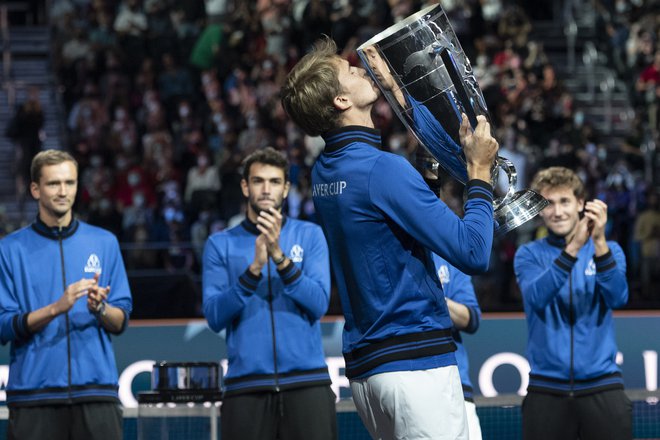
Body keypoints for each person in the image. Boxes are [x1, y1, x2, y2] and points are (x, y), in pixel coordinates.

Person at [281, 36, 498, 439]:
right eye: (350, 71)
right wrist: (480, 172)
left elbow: (386, 230)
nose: (361, 68)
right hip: (415, 364)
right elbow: (473, 252)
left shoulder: (324, 171)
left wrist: (425, 183)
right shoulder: (382, 170)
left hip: (370, 371)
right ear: (341, 102)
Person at [202, 147, 337, 440]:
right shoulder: (219, 244)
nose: (266, 189)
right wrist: (254, 270)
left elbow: (318, 304)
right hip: (245, 387)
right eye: (258, 181)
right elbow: (214, 316)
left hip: (307, 383)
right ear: (245, 186)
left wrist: (280, 258)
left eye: (275, 181)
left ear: (286, 188)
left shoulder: (309, 235)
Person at [0, 149, 132, 440]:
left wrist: (100, 309)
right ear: (35, 189)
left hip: (97, 395)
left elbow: (120, 320)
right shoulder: (9, 250)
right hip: (33, 397)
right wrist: (56, 308)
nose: (63, 191)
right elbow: (3, 325)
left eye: (70, 183)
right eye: (53, 184)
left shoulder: (105, 242)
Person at [513, 166, 631, 440]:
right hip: (546, 390)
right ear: (539, 210)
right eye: (548, 204)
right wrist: (574, 249)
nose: (557, 212)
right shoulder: (527, 254)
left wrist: (599, 242)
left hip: (603, 386)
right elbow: (536, 298)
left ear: (580, 203)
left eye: (565, 201)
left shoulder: (610, 250)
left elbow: (618, 297)